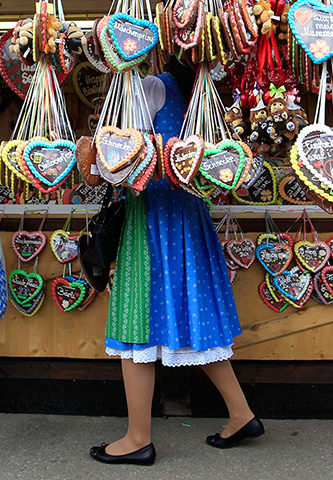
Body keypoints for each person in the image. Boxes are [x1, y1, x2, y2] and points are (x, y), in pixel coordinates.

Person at [89, 71, 264, 466]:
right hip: (187, 215)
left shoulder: (148, 86)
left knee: (136, 323)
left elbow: (115, 162)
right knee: (192, 319)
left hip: (152, 217)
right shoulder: (194, 88)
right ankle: (241, 414)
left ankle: (138, 437)